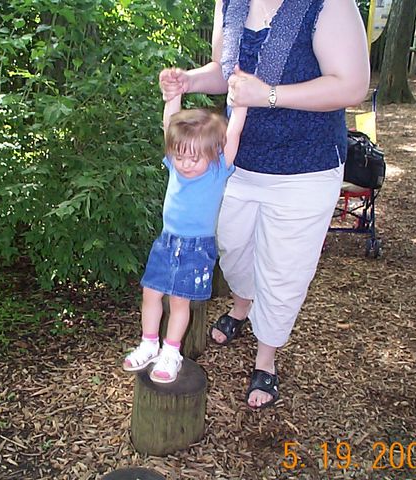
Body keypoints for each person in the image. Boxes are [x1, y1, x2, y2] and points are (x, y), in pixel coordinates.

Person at [159, 0, 370, 408]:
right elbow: (226, 71)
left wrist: (269, 95)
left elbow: (352, 85)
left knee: (283, 271)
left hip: (305, 168)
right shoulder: (230, 3)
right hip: (237, 163)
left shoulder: (327, 5)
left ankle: (266, 358)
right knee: (233, 249)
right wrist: (187, 80)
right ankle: (242, 307)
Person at [122, 94, 247, 384]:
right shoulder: (175, 166)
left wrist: (240, 104)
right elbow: (170, 126)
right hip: (166, 241)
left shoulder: (217, 170)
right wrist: (173, 97)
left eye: (194, 158)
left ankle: (171, 352)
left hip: (196, 248)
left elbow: (234, 133)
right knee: (150, 293)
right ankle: (149, 343)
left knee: (179, 302)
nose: (186, 164)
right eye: (179, 157)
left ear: (213, 153)